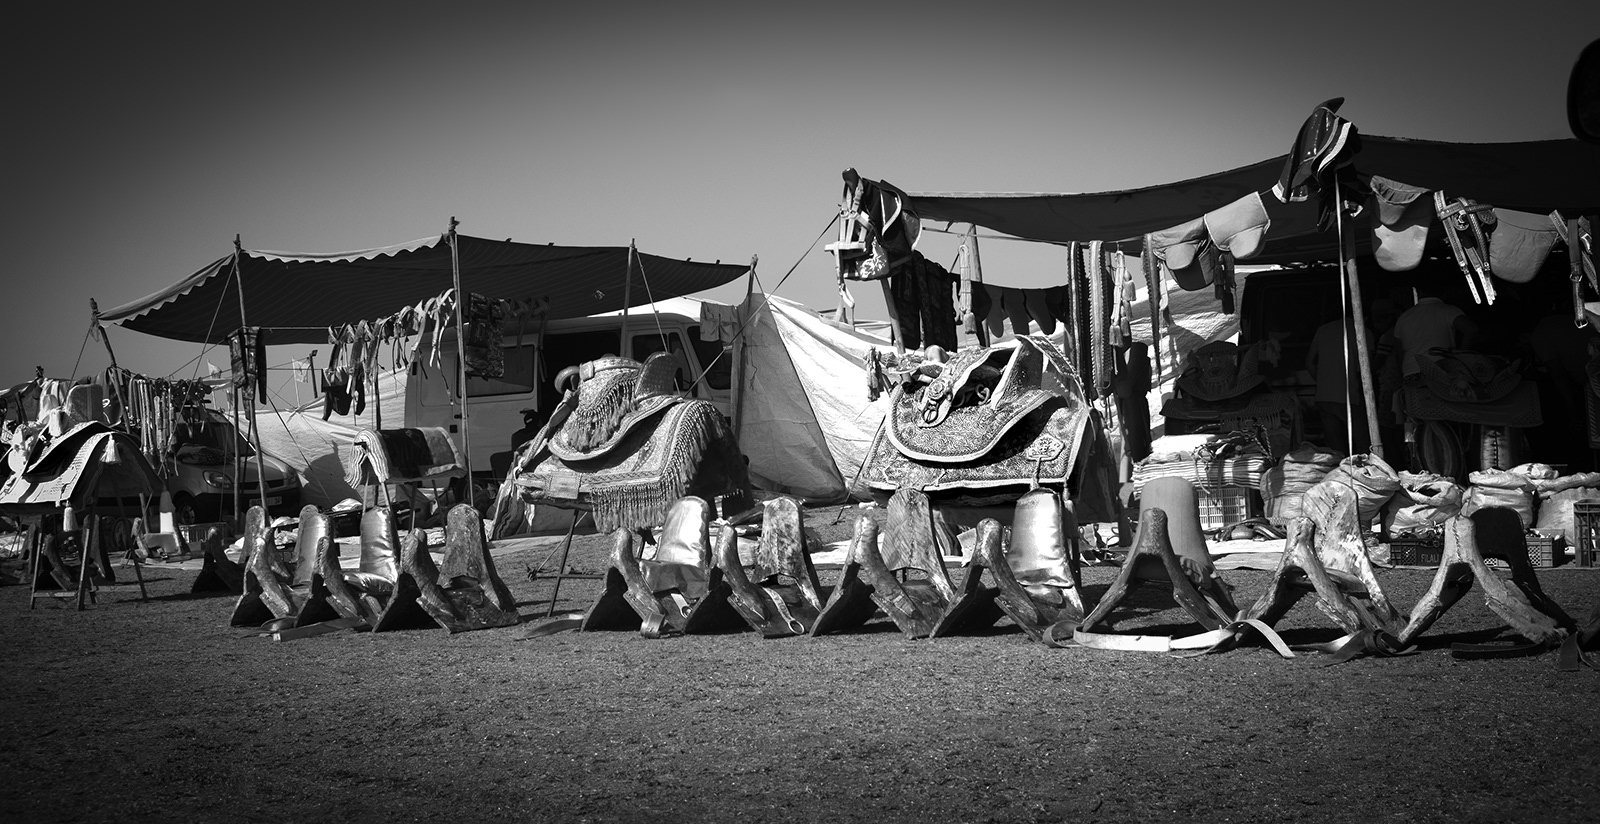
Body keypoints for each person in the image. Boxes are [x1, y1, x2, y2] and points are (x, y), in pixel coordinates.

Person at [1304, 315, 1376, 453]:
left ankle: (1338, 466)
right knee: (1363, 445)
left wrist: (1322, 381)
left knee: (1335, 449)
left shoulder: (1323, 330)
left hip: (1325, 395)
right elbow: (1367, 367)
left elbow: (1309, 363)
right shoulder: (1363, 331)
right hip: (1351, 395)